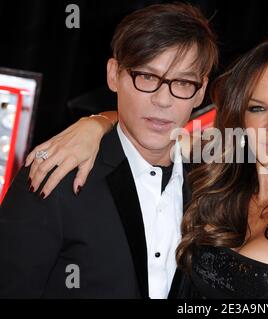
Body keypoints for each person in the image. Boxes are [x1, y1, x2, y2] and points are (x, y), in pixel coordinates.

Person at [21, 36, 268, 299]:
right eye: (257, 108)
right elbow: (150, 131)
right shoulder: (215, 172)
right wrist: (95, 124)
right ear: (239, 117)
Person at [0, 3, 218, 298]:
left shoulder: (213, 189)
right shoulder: (57, 175)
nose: (163, 100)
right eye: (147, 77)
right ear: (114, 74)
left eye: (182, 82)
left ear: (201, 91)